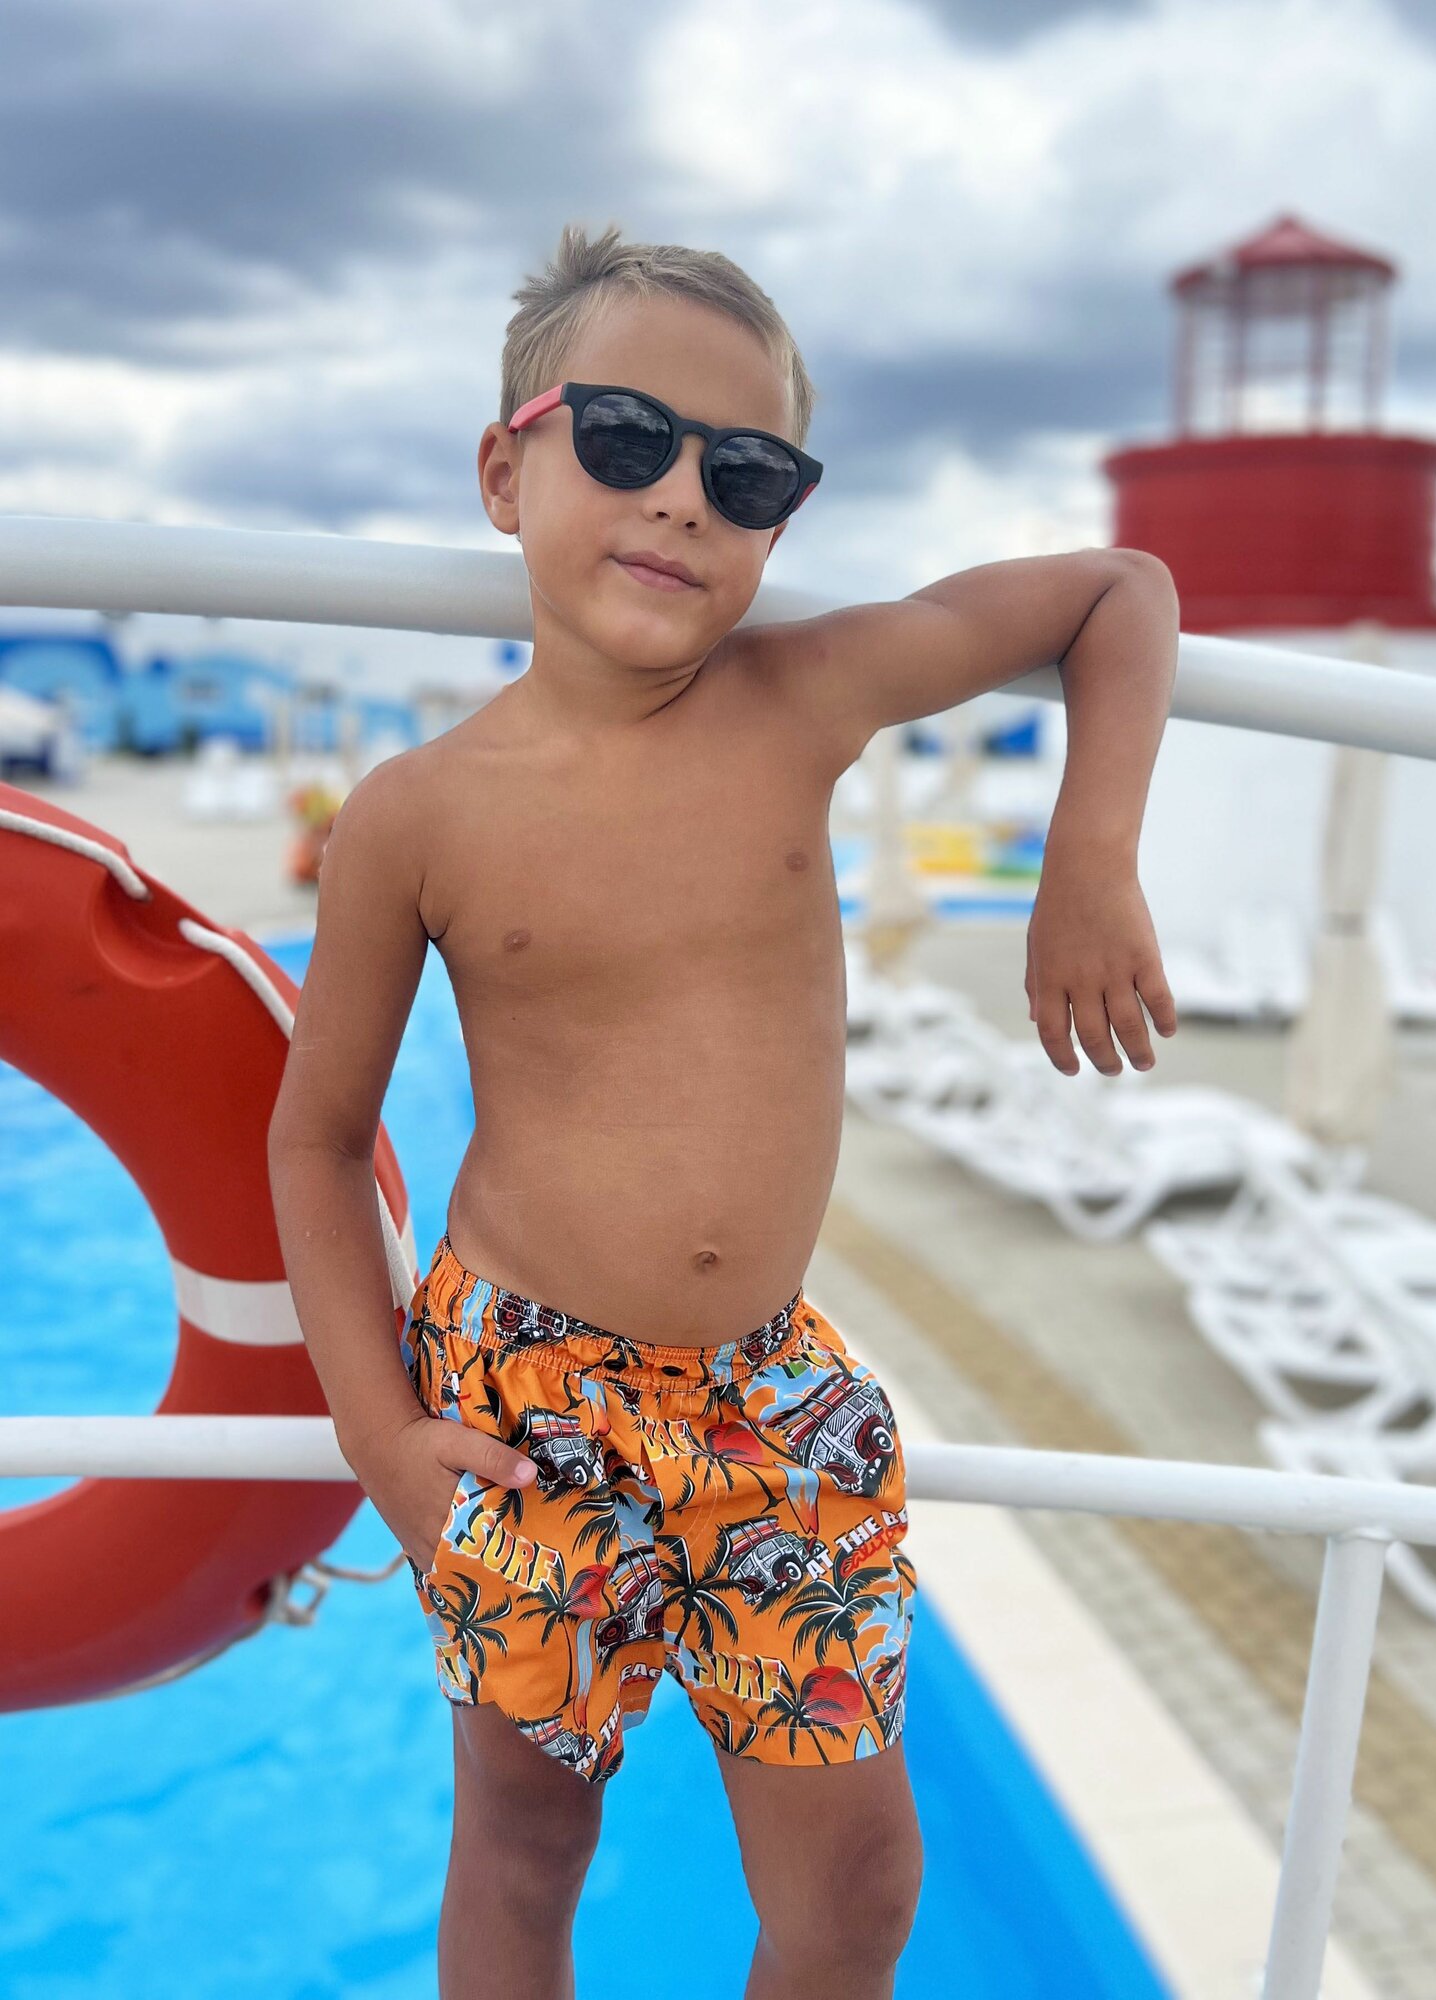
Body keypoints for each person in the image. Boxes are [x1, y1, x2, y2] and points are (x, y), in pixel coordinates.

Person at [267, 219, 1179, 2000]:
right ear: (505, 472)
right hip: (524, 1400)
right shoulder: (415, 815)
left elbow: (1120, 590)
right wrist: (380, 1436)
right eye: (625, 440)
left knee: (863, 1885)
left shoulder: (798, 699)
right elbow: (315, 1136)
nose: (682, 496)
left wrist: (1089, 854)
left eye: (746, 474)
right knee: (526, 1845)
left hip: (769, 1399)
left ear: (775, 527)